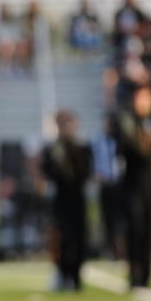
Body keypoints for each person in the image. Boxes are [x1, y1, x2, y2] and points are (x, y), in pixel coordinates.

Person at [111, 81, 151, 289]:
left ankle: (146, 274)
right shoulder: (126, 120)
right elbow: (122, 148)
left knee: (149, 229)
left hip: (150, 182)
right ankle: (134, 272)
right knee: (134, 228)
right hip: (131, 181)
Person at [39, 111, 94, 291]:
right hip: (60, 200)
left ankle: (76, 277)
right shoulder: (51, 149)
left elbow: (85, 172)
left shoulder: (82, 148)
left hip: (77, 198)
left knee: (79, 238)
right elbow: (47, 172)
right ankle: (62, 274)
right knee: (61, 239)